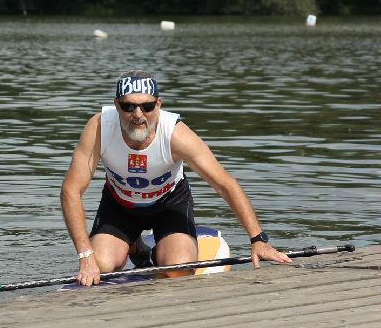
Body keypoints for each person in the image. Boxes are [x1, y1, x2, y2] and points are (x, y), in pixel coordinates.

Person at [61, 69, 292, 285]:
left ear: (158, 105)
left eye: (147, 106)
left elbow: (225, 184)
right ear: (116, 105)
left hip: (169, 205)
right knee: (102, 266)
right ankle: (133, 246)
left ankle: (153, 252)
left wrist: (258, 239)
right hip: (120, 205)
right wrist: (86, 255)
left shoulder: (176, 134)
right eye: (128, 107)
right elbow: (71, 191)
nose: (138, 115)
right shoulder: (99, 127)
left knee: (178, 270)